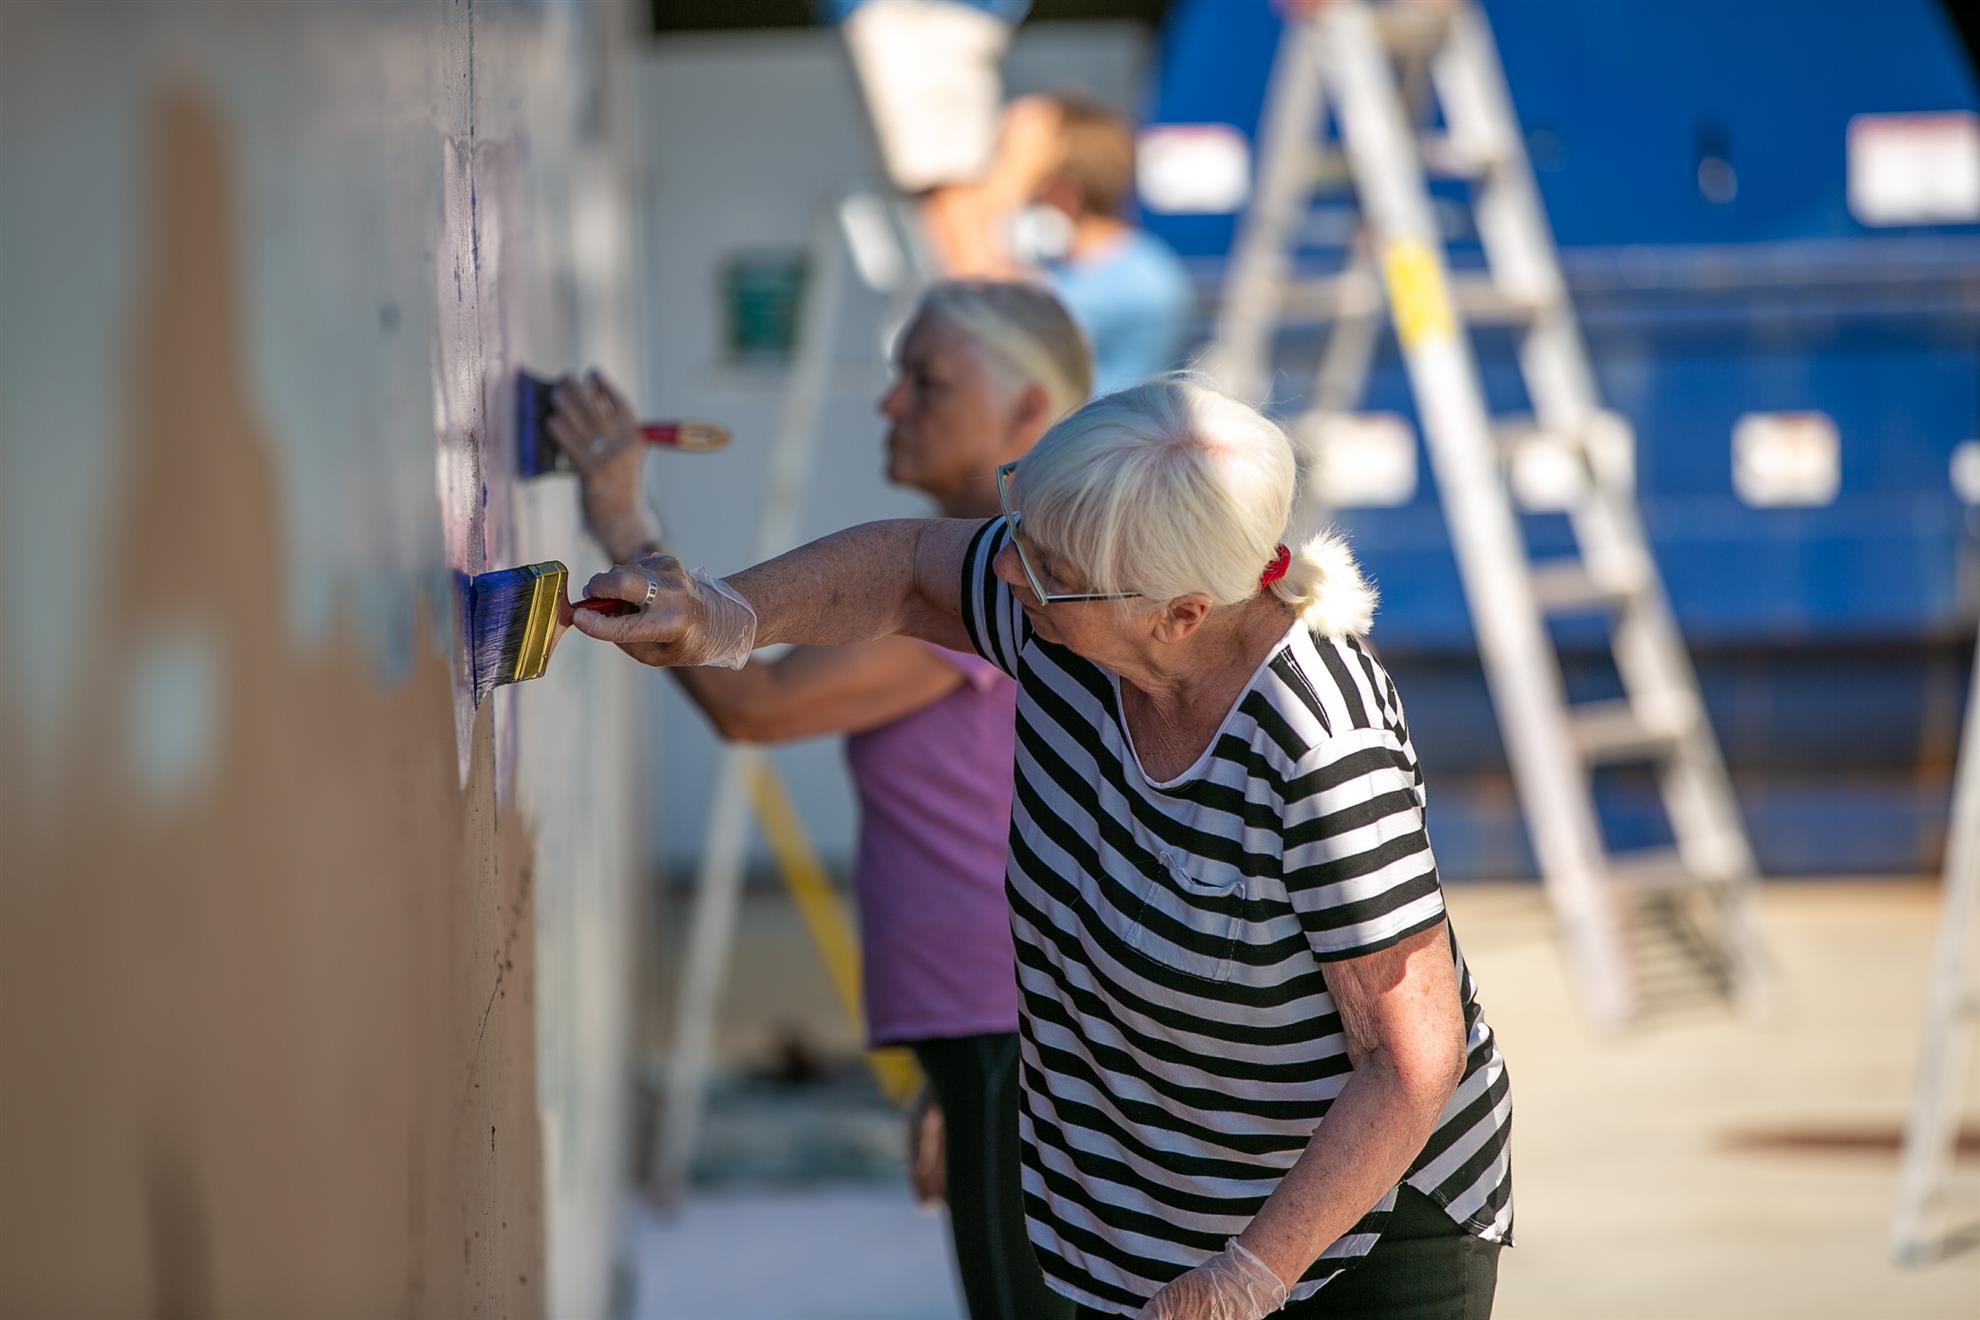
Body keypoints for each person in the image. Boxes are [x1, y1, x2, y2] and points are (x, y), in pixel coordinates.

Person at [570, 376, 1513, 1319]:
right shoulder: (1072, 620)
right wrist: (722, 615)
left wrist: (1247, 1280)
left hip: (1354, 1233)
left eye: (1046, 563)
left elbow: (1408, 1061)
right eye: (1019, 537)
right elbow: (906, 566)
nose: (1011, 572)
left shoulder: (1320, 751)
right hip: (1147, 1202)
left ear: (1179, 613)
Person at [545, 281, 1091, 1320]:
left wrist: (621, 513)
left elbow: (754, 707)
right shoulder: (989, 572)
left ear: (1029, 414)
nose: (890, 405)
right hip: (991, 1026)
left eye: (925, 382)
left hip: (1007, 1026)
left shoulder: (997, 584)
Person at [1000, 92, 1196, 395]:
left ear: (1065, 187)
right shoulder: (1066, 264)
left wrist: (1007, 183)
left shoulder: (1135, 280)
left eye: (1040, 178)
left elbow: (998, 329)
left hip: (1103, 437)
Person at [824, 0, 1036, 275]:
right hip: (940, 15)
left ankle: (984, 303)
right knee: (952, 183)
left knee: (951, 184)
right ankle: (984, 300)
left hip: (921, 15)